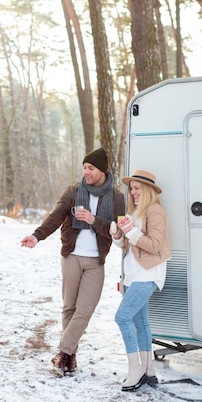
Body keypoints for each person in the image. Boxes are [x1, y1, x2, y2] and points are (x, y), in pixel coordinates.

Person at [21, 147, 125, 376]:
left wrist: (93, 219)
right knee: (69, 307)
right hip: (72, 256)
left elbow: (117, 232)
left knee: (85, 309)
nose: (86, 172)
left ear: (102, 171)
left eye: (91, 168)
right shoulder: (73, 191)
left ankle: (63, 351)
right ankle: (69, 358)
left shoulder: (117, 198)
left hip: (96, 261)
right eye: (85, 168)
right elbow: (56, 216)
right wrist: (37, 236)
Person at [111, 169, 171, 392]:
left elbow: (154, 245)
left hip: (148, 274)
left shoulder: (155, 211)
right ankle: (148, 371)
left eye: (137, 188)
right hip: (134, 275)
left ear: (147, 190)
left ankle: (135, 369)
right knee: (140, 323)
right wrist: (118, 237)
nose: (133, 192)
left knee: (122, 317)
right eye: (131, 188)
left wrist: (131, 231)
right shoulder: (134, 212)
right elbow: (131, 245)